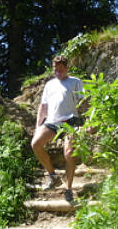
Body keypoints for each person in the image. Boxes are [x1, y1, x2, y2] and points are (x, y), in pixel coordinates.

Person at [31, 55, 84, 202]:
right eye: (56, 70)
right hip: (52, 121)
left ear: (66, 68)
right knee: (35, 144)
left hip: (71, 121)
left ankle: (68, 188)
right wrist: (38, 126)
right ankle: (53, 176)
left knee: (69, 154)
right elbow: (43, 107)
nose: (58, 72)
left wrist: (89, 123)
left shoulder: (75, 82)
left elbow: (84, 103)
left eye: (61, 69)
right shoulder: (49, 85)